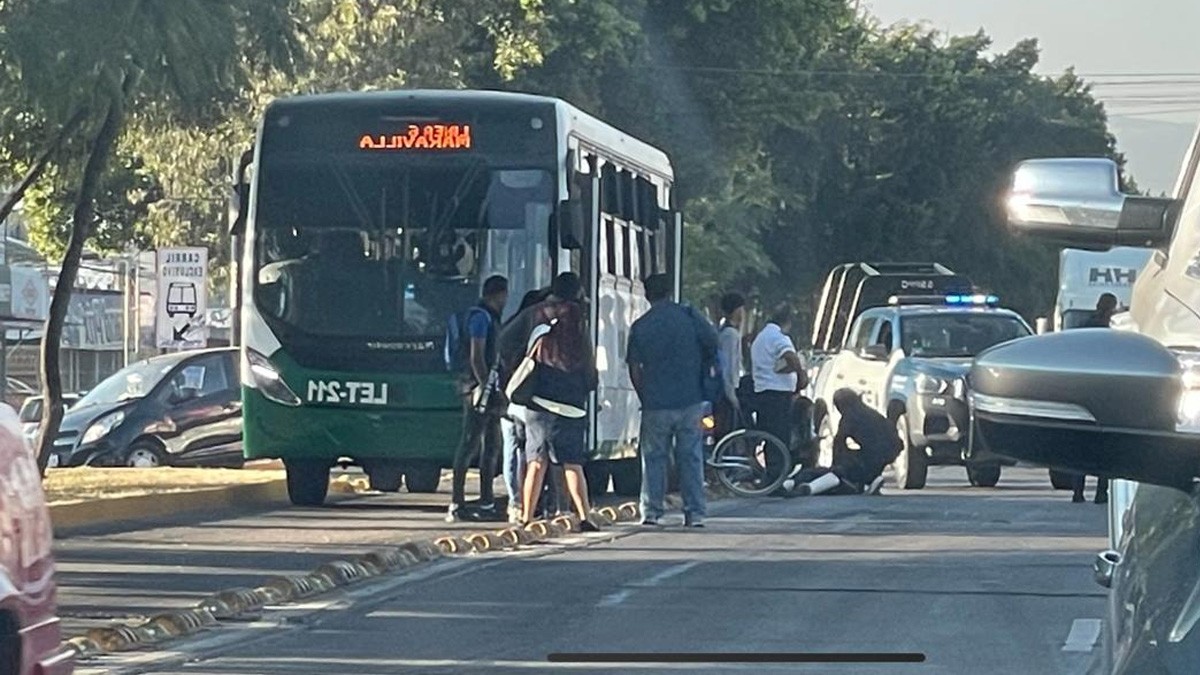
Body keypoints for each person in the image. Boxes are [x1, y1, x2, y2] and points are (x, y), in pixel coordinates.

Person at [499, 272, 600, 530]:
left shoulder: (535, 313)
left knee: (536, 461)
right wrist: (589, 385)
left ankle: (526, 517)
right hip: (572, 399)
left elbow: (504, 340)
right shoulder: (579, 316)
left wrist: (519, 363)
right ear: (577, 292)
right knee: (572, 463)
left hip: (538, 396)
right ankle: (585, 516)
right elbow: (588, 357)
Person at [626, 274, 719, 527]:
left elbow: (635, 367)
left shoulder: (641, 325)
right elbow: (713, 343)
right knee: (690, 456)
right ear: (670, 291)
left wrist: (645, 394)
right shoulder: (689, 317)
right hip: (690, 399)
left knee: (654, 458)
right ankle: (695, 513)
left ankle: (652, 512)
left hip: (655, 402)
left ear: (647, 295)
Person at [447, 275, 509, 523]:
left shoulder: (484, 316)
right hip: (477, 387)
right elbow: (477, 356)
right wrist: (486, 388)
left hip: (482, 385)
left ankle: (487, 500)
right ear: (499, 294)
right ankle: (457, 502)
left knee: (492, 444)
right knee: (470, 442)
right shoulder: (481, 318)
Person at [781, 388, 901, 496]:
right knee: (839, 474)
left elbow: (839, 442)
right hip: (886, 454)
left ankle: (797, 484)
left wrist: (837, 465)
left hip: (869, 458)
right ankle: (867, 481)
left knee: (829, 473)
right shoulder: (872, 414)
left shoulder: (849, 417)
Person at [499, 288, 550, 524]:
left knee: (512, 450)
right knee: (531, 454)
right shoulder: (541, 332)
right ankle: (531, 504)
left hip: (510, 397)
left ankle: (516, 503)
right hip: (528, 399)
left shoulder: (510, 327)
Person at [749, 303, 808, 488]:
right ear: (787, 322)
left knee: (770, 436)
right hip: (777, 394)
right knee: (779, 438)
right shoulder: (778, 337)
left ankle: (771, 478)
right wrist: (800, 375)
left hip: (762, 393)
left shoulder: (761, 338)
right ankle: (776, 481)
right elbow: (791, 357)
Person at [1071, 292, 1119, 504]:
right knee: (1105, 448)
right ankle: (1101, 492)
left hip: (1083, 392)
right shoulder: (1114, 333)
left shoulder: (1083, 329)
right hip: (1105, 394)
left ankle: (1079, 492)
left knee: (1081, 448)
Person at [715, 292, 747, 440]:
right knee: (728, 433)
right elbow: (727, 366)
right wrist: (731, 395)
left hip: (726, 390)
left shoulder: (725, 332)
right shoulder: (730, 334)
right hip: (727, 392)